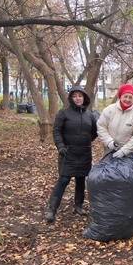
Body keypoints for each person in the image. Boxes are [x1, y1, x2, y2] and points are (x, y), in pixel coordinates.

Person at [46, 86, 97, 222]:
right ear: (71, 98)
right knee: (63, 180)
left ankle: (79, 205)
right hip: (68, 153)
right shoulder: (63, 113)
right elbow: (56, 131)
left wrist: (84, 142)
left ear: (84, 98)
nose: (78, 98)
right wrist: (61, 146)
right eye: (75, 96)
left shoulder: (89, 115)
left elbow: (94, 133)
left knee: (81, 180)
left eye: (80, 96)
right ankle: (52, 209)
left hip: (84, 153)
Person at [97, 83, 133, 159]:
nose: (127, 100)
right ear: (120, 96)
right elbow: (101, 126)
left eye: (130, 97)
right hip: (109, 152)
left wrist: (124, 151)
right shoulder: (109, 110)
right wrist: (108, 142)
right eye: (125, 96)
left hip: (129, 155)